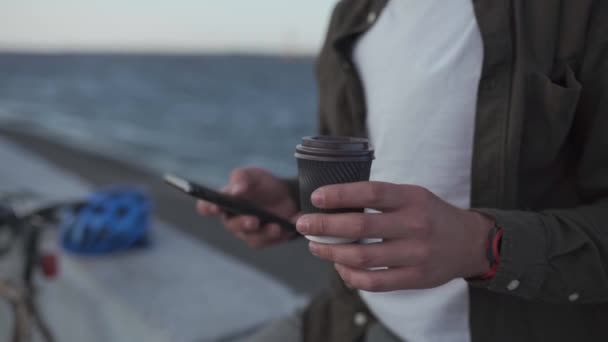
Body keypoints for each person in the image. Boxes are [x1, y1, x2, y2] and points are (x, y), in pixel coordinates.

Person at [198, 0, 608, 341]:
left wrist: (484, 246)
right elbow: (393, 166)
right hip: (348, 320)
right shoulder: (353, 13)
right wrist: (294, 202)